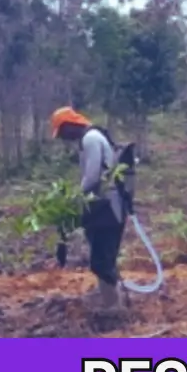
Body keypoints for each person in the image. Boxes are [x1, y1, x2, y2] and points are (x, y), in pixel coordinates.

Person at [50, 107, 128, 309]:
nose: (63, 138)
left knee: (101, 262)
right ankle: (114, 302)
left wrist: (73, 199)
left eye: (62, 133)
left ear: (69, 126)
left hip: (108, 208)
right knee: (104, 259)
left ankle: (115, 308)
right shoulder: (91, 138)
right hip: (107, 206)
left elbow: (92, 177)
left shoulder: (90, 139)